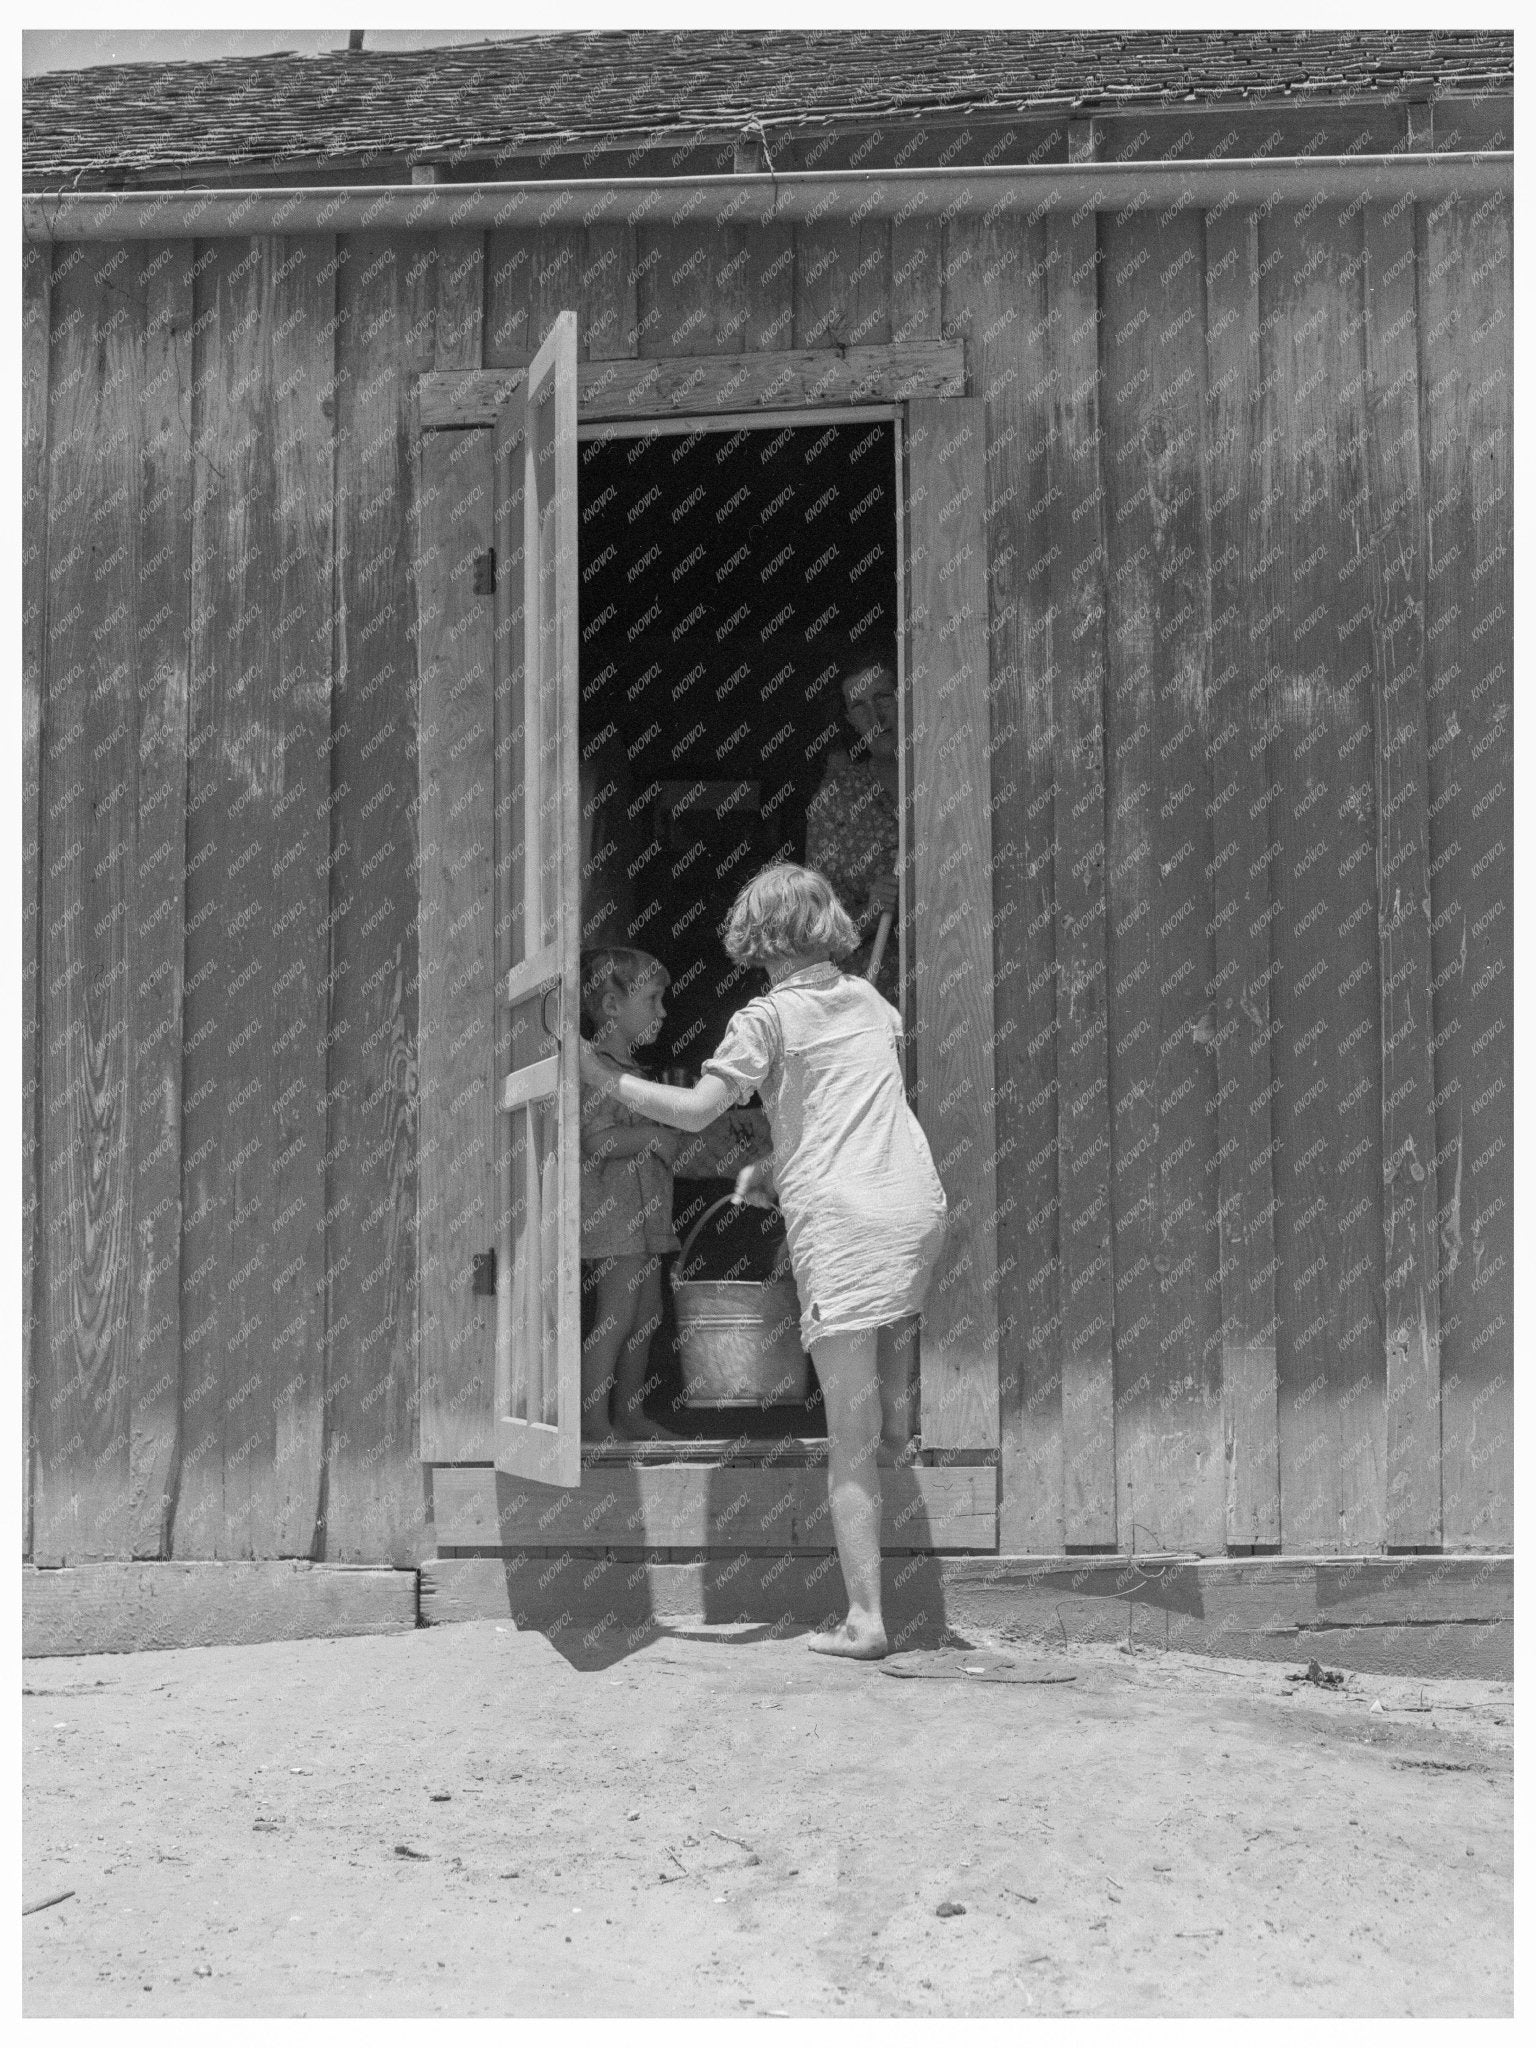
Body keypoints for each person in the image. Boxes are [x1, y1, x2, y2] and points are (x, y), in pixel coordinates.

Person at [578, 864, 948, 1659]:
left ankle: (866, 1620)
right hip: (914, 1206)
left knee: (847, 1432)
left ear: (760, 937)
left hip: (846, 1220)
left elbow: (698, 1109)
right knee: (885, 1420)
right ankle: (903, 1482)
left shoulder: (766, 1019)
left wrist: (595, 1072)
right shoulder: (873, 1005)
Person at [578, 946, 681, 1443]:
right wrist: (654, 1138)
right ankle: (595, 1422)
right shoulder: (595, 1068)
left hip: (646, 1220)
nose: (662, 1012)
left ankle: (630, 1413)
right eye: (654, 1000)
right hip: (615, 1220)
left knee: (647, 1315)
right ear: (614, 1008)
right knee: (616, 1317)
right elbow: (593, 1141)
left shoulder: (632, 1072)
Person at [803, 655, 902, 1007]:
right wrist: (874, 909)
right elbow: (819, 932)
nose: (875, 717)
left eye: (883, 698)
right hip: (874, 1003)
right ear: (850, 721)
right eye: (859, 707)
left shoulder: (947, 782)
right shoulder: (836, 801)